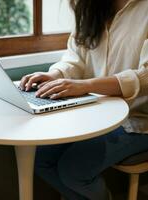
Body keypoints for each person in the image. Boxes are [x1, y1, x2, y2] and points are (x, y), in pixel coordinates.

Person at [19, 0, 148, 199]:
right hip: (95, 115)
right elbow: (75, 57)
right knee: (40, 159)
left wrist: (86, 85)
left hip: (137, 122)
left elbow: (145, 76)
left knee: (74, 172)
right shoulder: (90, 5)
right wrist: (55, 75)